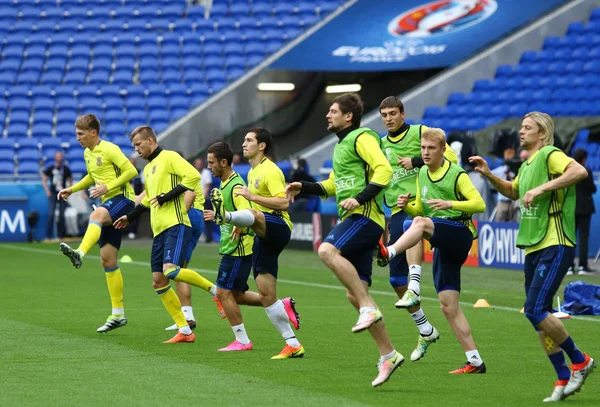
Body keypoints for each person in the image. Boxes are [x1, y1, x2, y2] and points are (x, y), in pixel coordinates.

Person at [469, 112, 595, 402]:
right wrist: (489, 175)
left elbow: (579, 172)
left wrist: (542, 188)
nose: (521, 131)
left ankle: (580, 361)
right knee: (538, 315)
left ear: (543, 133)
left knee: (535, 308)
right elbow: (514, 192)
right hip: (534, 244)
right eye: (521, 127)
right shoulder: (527, 164)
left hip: (556, 241)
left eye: (527, 127)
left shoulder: (551, 154)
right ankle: (563, 377)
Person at [286, 93, 403, 387]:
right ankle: (388, 355)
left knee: (326, 250)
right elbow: (333, 185)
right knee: (355, 292)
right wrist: (305, 186)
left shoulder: (362, 136)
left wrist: (359, 198)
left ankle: (368, 307)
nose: (327, 115)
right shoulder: (341, 146)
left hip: (365, 217)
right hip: (355, 218)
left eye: (333, 111)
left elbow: (384, 170)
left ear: (348, 116)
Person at [377, 128, 486, 375]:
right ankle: (475, 361)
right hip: (441, 237)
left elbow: (480, 204)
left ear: (443, 150)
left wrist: (451, 204)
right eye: (423, 148)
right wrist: (408, 205)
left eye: (431, 148)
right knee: (448, 305)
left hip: (459, 232)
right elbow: (421, 211)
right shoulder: (423, 173)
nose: (425, 153)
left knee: (417, 225)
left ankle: (393, 256)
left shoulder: (456, 174)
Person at [113, 126, 223, 343]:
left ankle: (215, 290)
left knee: (171, 270)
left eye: (138, 145)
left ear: (150, 140)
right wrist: (130, 217)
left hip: (177, 224)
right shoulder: (149, 169)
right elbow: (147, 199)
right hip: (159, 230)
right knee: (158, 281)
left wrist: (169, 196)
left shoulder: (169, 156)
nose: (136, 151)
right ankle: (184, 330)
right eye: (134, 146)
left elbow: (192, 176)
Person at [210, 128, 303, 359]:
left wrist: (252, 199)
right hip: (262, 236)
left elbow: (283, 204)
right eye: (244, 140)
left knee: (256, 214)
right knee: (266, 294)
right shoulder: (252, 172)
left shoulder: (270, 170)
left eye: (249, 140)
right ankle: (292, 344)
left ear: (261, 146)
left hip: (278, 226)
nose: (244, 144)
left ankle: (227, 216)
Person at [377, 96, 459, 362]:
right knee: (394, 280)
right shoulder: (380, 144)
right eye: (384, 114)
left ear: (403, 114)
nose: (388, 118)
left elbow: (451, 156)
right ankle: (425, 329)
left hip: (422, 207)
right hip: (398, 208)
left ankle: (416, 283)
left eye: (392, 113)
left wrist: (416, 160)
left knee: (409, 227)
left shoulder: (419, 132)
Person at [57, 114, 138, 333]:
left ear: (93, 133)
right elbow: (92, 177)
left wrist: (107, 186)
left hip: (123, 199)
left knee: (96, 217)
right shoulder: (87, 153)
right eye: (76, 134)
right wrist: (72, 189)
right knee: (107, 260)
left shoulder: (110, 148)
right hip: (109, 203)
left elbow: (132, 171)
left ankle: (80, 254)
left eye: (80, 134)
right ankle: (118, 314)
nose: (77, 138)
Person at [204, 141, 264, 351]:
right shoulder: (225, 182)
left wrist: (238, 225)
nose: (209, 167)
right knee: (236, 295)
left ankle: (243, 341)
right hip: (232, 247)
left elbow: (248, 213)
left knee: (222, 293)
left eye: (212, 163)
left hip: (238, 249)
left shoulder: (236, 185)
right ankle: (278, 305)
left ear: (224, 162)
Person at [568, 148, 596, 275]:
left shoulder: (568, 171)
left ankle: (569, 266)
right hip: (585, 208)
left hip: (571, 207)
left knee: (570, 237)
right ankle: (582, 266)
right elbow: (593, 188)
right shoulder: (586, 171)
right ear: (584, 159)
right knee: (583, 237)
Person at [42, 151, 72, 240]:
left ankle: (61, 236)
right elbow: (44, 180)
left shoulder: (65, 168)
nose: (59, 158)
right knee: (51, 214)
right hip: (53, 193)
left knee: (62, 215)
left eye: (60, 156)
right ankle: (48, 236)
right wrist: (47, 191)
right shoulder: (51, 168)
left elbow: (70, 180)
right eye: (58, 156)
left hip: (62, 193)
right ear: (55, 157)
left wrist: (69, 191)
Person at [491, 147, 518, 222]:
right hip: (503, 201)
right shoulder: (501, 170)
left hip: (513, 201)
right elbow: (490, 174)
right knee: (499, 221)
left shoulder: (515, 171)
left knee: (514, 222)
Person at [194, 157, 214, 243]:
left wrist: (203, 198)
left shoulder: (206, 173)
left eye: (200, 163)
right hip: (194, 199)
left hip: (204, 199)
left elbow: (208, 186)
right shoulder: (193, 172)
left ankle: (208, 237)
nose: (199, 165)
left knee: (207, 218)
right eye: (197, 163)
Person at [126, 157, 145, 239]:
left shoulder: (140, 172)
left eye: (133, 163)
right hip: (126, 196)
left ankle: (132, 231)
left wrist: (142, 195)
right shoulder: (124, 172)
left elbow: (143, 184)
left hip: (137, 195)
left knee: (135, 213)